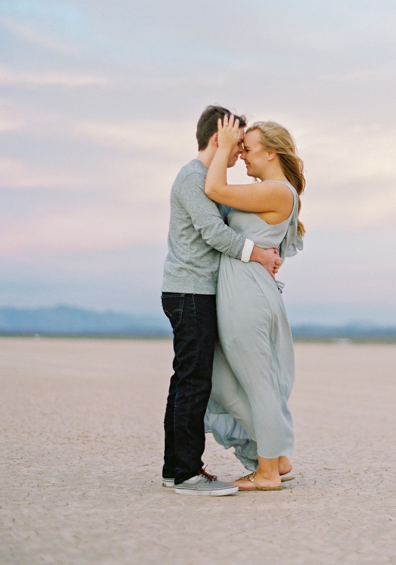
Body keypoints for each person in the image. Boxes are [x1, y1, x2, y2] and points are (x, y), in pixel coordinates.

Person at [161, 106, 282, 496]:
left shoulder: (205, 180)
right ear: (219, 138)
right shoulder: (192, 178)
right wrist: (259, 255)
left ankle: (173, 468)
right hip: (190, 291)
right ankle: (187, 474)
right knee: (194, 382)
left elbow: (233, 218)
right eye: (235, 146)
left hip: (196, 291)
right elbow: (215, 232)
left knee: (185, 380)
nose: (239, 156)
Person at [202, 115, 304, 491]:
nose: (242, 154)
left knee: (259, 384)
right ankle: (275, 456)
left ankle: (267, 473)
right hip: (239, 289)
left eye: (248, 147)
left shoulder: (278, 191)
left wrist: (226, 143)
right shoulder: (266, 190)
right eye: (240, 148)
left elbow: (214, 187)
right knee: (224, 385)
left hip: (248, 294)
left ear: (271, 152)